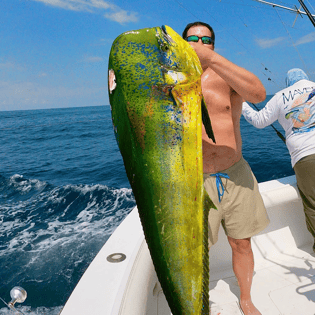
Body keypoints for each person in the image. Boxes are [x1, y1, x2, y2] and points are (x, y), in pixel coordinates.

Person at [182, 22, 270, 315]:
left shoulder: (226, 73)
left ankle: (245, 300)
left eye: (206, 39)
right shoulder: (174, 81)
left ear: (213, 45)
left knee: (241, 243)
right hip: (195, 179)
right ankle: (198, 304)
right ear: (183, 44)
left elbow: (258, 94)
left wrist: (212, 61)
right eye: (192, 38)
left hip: (236, 173)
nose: (199, 42)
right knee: (195, 252)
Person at [242, 68, 315, 251]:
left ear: (288, 82)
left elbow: (259, 121)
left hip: (305, 158)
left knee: (313, 205)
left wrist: (242, 103)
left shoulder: (280, 96)